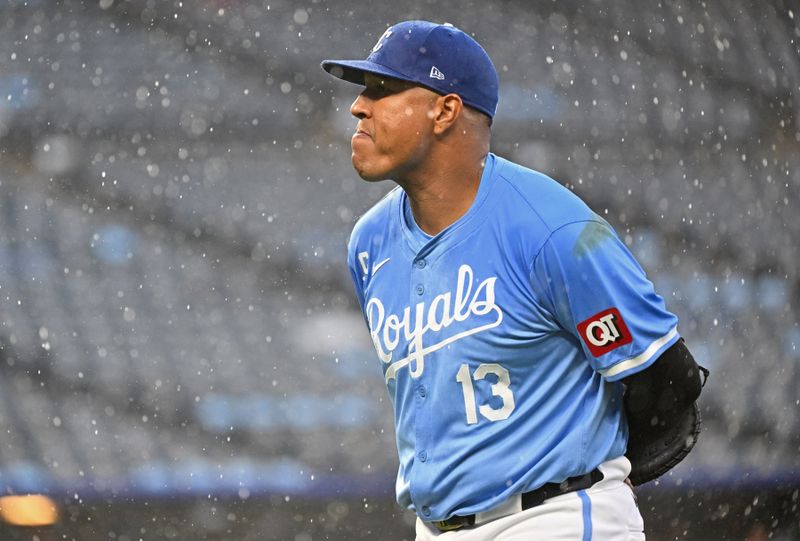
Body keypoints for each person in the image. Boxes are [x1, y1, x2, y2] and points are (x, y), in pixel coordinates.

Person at [321, 20, 706, 540]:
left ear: (445, 111)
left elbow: (664, 380)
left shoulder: (552, 229)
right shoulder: (369, 246)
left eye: (383, 90)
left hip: (553, 519)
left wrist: (588, 476)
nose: (359, 106)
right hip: (435, 528)